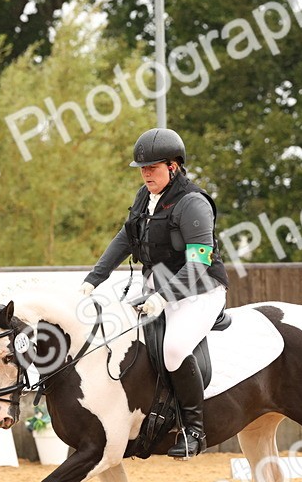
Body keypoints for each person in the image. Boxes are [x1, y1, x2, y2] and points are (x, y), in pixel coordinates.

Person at [79, 128, 230, 458]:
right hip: (156, 290)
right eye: (143, 168)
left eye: (153, 167)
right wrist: (95, 278)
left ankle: (194, 431)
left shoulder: (193, 204)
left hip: (200, 291)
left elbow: (198, 263)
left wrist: (164, 296)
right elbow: (124, 238)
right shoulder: (144, 199)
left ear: (174, 167)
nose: (146, 173)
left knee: (174, 349)